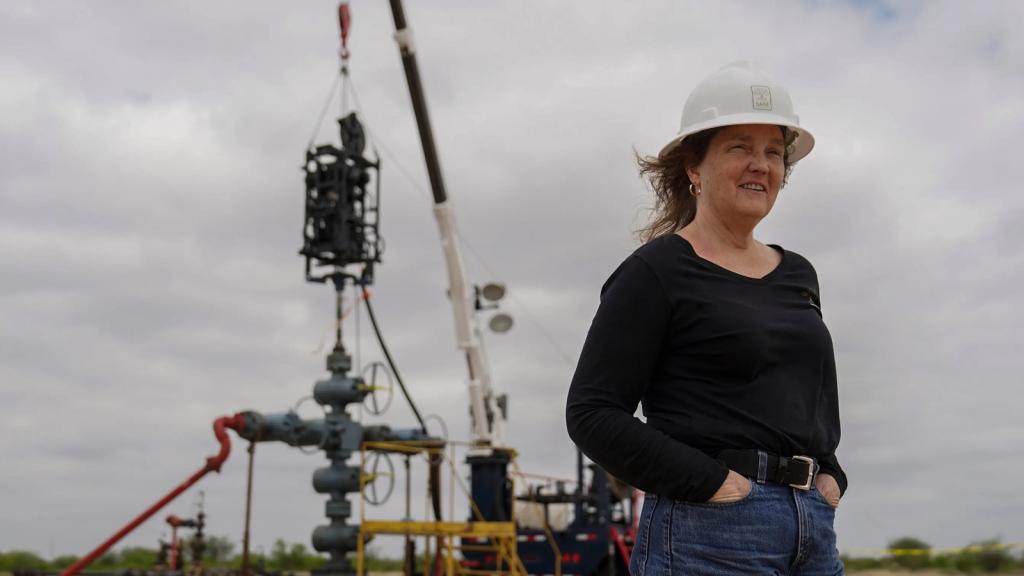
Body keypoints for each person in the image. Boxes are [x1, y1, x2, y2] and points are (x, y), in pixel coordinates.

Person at [565, 61, 847, 575]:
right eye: (740, 147)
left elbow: (813, 398)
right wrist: (715, 483)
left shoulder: (799, 273)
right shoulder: (656, 272)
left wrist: (830, 476)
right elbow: (592, 413)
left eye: (774, 153)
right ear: (694, 168)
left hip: (813, 529)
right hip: (709, 533)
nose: (760, 164)